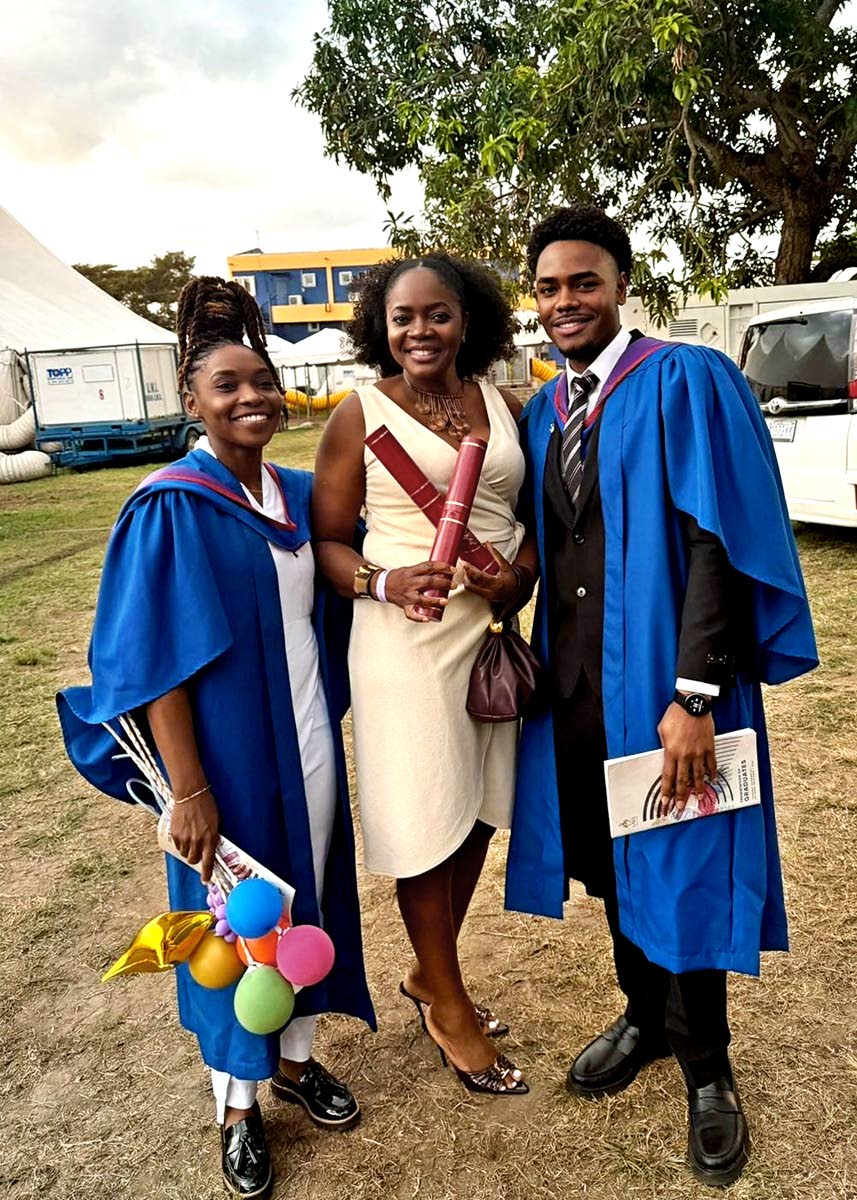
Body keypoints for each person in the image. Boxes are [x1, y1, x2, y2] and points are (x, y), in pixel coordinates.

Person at [507, 207, 817, 1185]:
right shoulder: (542, 411)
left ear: (618, 284)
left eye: (582, 282)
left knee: (678, 869)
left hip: (667, 689)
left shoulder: (685, 379)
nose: (565, 302)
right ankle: (642, 1015)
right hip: (576, 691)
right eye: (549, 287)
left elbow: (715, 545)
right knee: (610, 860)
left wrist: (693, 694)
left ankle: (706, 1072)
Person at [57, 277, 375, 1198]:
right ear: (191, 401)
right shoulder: (175, 504)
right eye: (226, 385)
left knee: (303, 894)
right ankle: (236, 1103)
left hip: (307, 734)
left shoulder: (298, 494)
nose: (250, 398)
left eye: (261, 381)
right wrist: (187, 788)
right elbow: (157, 659)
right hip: (224, 757)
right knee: (234, 924)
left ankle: (296, 1058)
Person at [313, 253, 538, 1095]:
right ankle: (445, 998)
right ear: (382, 325)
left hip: (483, 634)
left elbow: (523, 526)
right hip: (401, 641)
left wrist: (515, 578)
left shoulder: (503, 405)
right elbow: (329, 542)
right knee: (420, 817)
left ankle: (428, 973)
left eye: (436, 314)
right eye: (402, 317)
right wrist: (381, 580)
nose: (419, 331)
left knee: (477, 809)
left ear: (466, 320)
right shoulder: (358, 413)